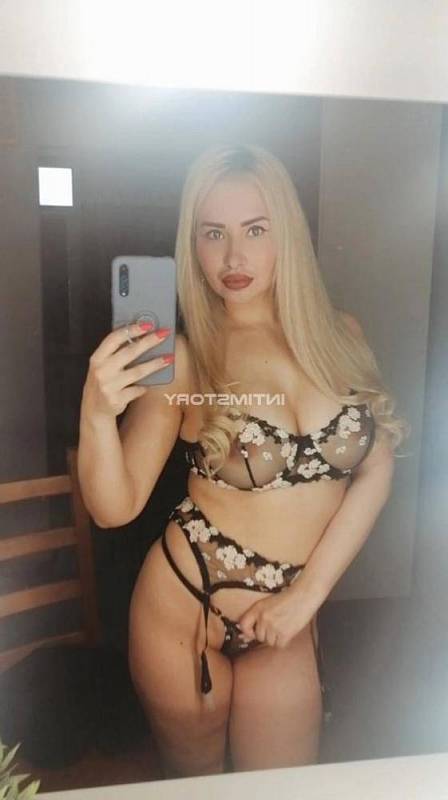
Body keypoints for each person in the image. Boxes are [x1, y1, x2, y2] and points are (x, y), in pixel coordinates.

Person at [77, 144, 408, 778]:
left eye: (256, 230)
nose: (233, 257)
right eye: (213, 234)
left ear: (287, 234)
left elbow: (375, 468)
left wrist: (306, 597)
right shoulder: (186, 357)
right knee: (197, 788)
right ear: (193, 244)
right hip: (184, 607)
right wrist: (96, 413)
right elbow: (114, 508)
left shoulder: (341, 335)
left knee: (277, 788)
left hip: (283, 616)